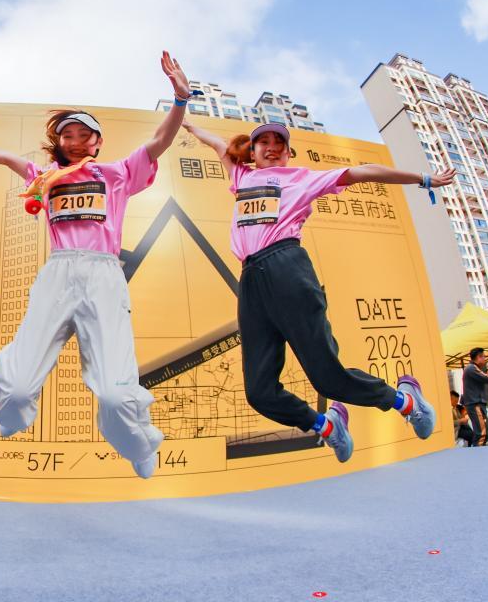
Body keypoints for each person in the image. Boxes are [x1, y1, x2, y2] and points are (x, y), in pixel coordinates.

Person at [0, 52, 191, 478]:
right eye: (68, 135)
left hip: (103, 275)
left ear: (98, 142)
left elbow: (160, 141)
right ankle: (10, 416)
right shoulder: (46, 177)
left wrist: (180, 100)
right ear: (59, 142)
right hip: (58, 274)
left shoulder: (117, 173)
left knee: (115, 394)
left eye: (85, 134)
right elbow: (9, 160)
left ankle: (138, 445)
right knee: (17, 388)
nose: (76, 140)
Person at [181, 120, 448, 462]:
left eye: (279, 142)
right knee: (259, 393)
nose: (271, 147)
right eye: (264, 142)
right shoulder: (241, 177)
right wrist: (183, 115)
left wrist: (422, 178)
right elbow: (215, 142)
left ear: (288, 152)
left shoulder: (303, 179)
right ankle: (327, 426)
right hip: (250, 280)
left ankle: (406, 402)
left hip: (287, 268)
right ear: (253, 151)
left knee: (328, 380)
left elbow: (364, 172)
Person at [461, 347, 488, 447]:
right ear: (478, 357)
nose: (485, 359)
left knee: (484, 432)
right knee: (481, 433)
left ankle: (481, 452)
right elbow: (487, 378)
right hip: (475, 404)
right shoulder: (471, 368)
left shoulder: (473, 368)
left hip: (477, 403)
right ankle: (478, 453)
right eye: (483, 357)